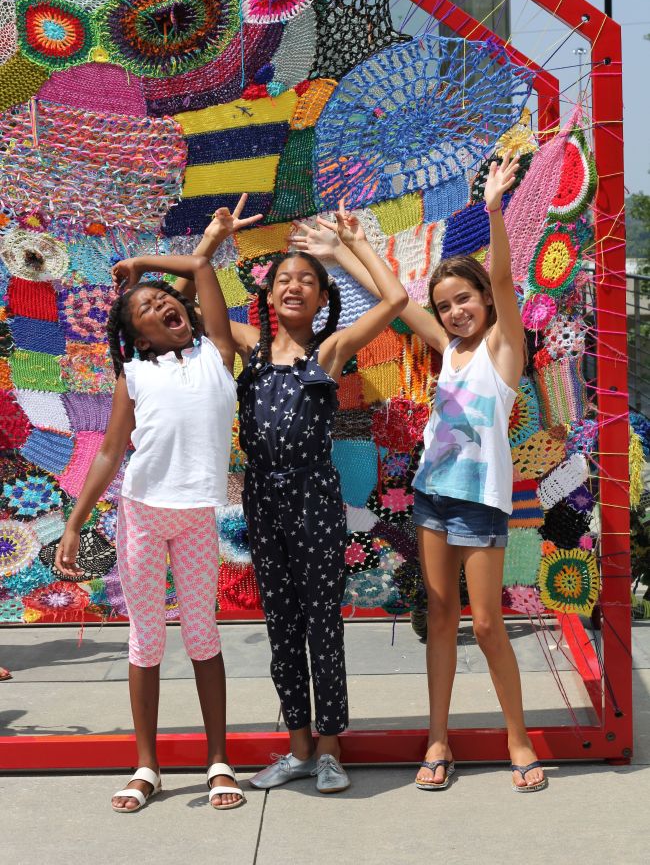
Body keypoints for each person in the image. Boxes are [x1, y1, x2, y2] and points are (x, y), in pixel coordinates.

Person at [289, 153, 547, 794]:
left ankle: (518, 738)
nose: (455, 312)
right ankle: (438, 739)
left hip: (482, 505)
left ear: (485, 301)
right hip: (433, 499)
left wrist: (493, 211)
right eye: (446, 304)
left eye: (464, 300)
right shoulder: (451, 351)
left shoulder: (502, 350)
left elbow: (509, 285)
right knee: (438, 618)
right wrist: (345, 247)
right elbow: (392, 300)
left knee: (485, 624)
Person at [182, 202, 408, 794]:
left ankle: (332, 749)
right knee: (281, 625)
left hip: (313, 495)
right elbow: (190, 303)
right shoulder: (248, 345)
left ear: (321, 297)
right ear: (269, 293)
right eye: (285, 278)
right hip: (261, 495)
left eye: (307, 280)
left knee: (321, 625)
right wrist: (212, 243)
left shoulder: (328, 352)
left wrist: (352, 247)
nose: (294, 286)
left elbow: (395, 302)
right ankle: (299, 749)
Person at [55, 228, 259, 812]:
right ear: (135, 335)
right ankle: (147, 765)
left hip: (196, 518)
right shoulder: (135, 376)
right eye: (146, 307)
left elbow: (198, 266)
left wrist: (142, 264)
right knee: (145, 642)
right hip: (141, 515)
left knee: (202, 636)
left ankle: (218, 760)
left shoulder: (218, 354)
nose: (161, 305)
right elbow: (108, 452)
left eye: (163, 299)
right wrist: (75, 522)